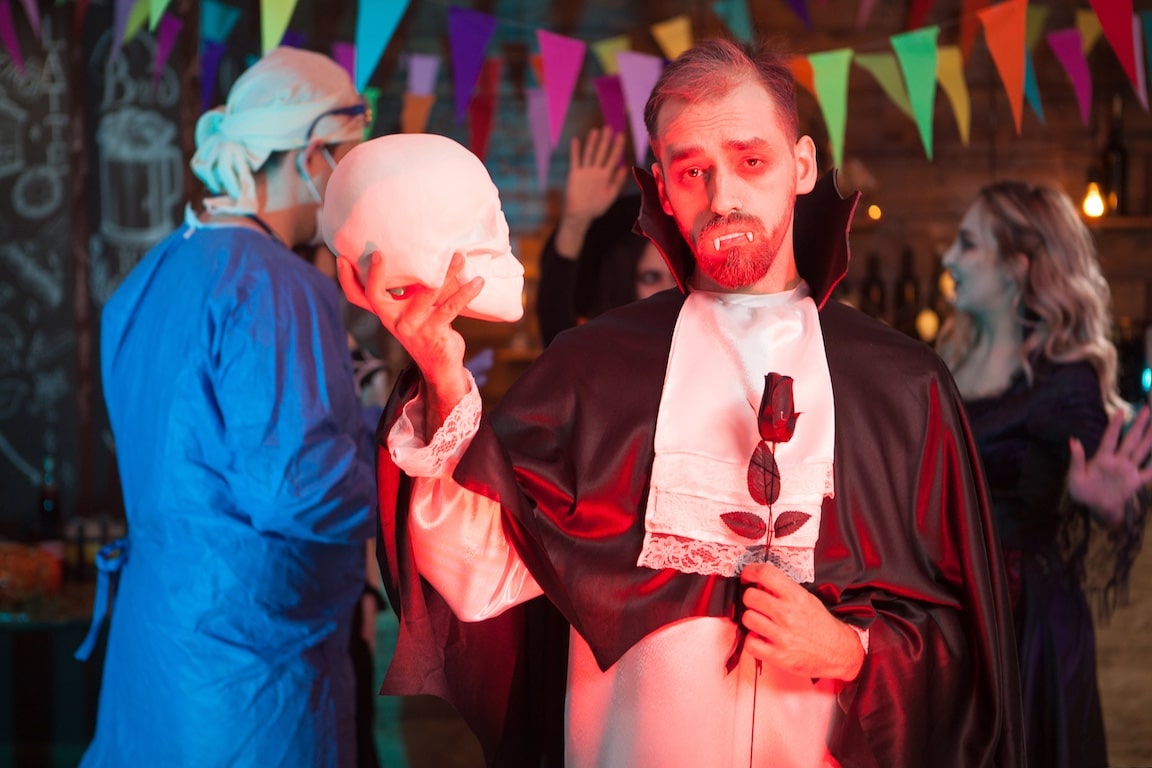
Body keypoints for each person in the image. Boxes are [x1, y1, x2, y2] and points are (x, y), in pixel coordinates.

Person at [337, 38, 1025, 767]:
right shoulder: (591, 369)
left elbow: (971, 653)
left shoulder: (904, 387)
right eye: (693, 171)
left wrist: (851, 651)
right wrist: (442, 379)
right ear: (663, 189)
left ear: (801, 166)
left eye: (750, 161)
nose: (722, 196)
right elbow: (479, 577)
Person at [82, 47, 377, 767]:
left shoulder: (149, 277)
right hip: (252, 681)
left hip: (157, 651)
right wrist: (414, 468)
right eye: (350, 161)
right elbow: (296, 487)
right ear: (311, 155)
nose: (355, 187)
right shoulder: (278, 285)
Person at [937, 180, 1152, 768]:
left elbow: (1117, 503)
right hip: (954, 615)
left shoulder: (1066, 378)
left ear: (1017, 266)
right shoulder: (946, 359)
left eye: (968, 244)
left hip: (1026, 630)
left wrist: (1104, 503)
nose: (948, 258)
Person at [537, 125, 677, 347]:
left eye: (677, 278)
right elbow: (556, 328)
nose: (667, 291)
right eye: (651, 278)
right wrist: (575, 222)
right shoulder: (603, 351)